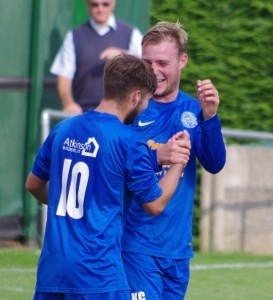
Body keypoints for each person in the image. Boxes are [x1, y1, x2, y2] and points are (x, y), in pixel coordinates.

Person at [26, 54, 191, 300]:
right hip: (98, 275)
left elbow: (33, 184)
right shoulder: (128, 140)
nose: (145, 106)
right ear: (136, 96)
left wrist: (70, 202)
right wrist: (179, 161)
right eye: (146, 99)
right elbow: (155, 204)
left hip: (52, 273)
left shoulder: (63, 129)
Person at [122, 21, 227, 299]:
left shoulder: (195, 109)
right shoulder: (129, 107)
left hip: (178, 250)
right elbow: (115, 164)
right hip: (136, 246)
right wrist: (159, 155)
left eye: (162, 62)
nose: (154, 70)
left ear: (182, 61)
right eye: (147, 62)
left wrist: (211, 117)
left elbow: (215, 164)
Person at [50, 0, 143, 114]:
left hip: (123, 114)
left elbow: (147, 65)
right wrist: (68, 104)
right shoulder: (74, 36)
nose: (100, 9)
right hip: (86, 113)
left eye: (105, 4)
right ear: (87, 4)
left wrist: (124, 55)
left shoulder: (131, 34)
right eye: (95, 4)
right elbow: (64, 75)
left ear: (113, 3)